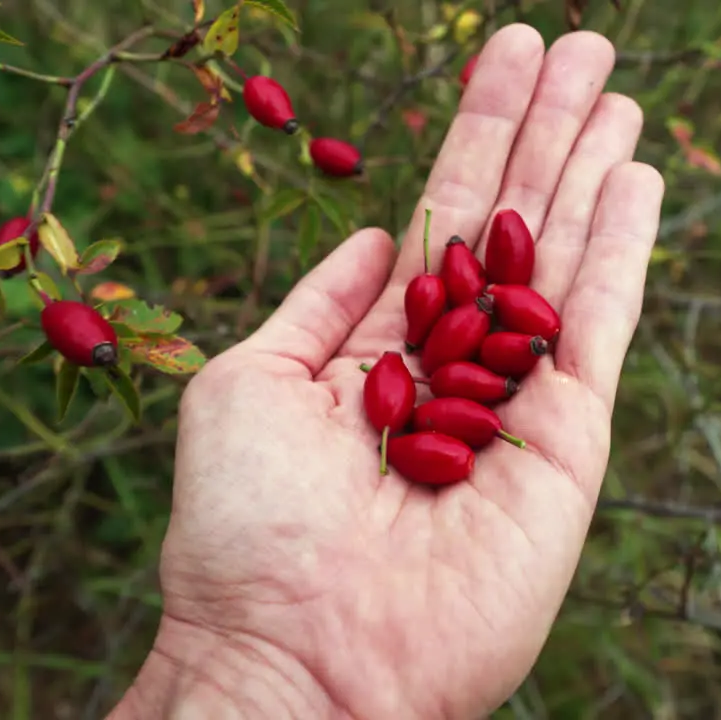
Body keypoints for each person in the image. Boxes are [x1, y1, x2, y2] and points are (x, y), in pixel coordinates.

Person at [107, 24, 664, 720]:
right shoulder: (433, 375)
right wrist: (265, 660)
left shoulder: (462, 362)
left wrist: (259, 670)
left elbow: (459, 364)